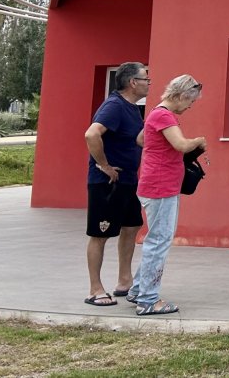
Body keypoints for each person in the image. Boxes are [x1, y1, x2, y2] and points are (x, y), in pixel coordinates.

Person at [129, 75, 206, 316]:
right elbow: (181, 145)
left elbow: (142, 139)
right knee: (159, 241)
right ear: (182, 95)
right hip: (161, 186)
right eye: (190, 102)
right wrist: (198, 141)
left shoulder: (156, 112)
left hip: (156, 183)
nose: (189, 107)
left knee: (157, 238)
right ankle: (148, 299)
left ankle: (139, 289)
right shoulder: (164, 115)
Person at [83, 62, 150, 307]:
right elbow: (92, 134)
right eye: (146, 79)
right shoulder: (114, 105)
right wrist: (104, 165)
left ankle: (124, 281)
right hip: (107, 182)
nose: (148, 83)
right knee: (100, 234)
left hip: (128, 181)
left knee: (132, 226)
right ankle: (95, 289)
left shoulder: (132, 108)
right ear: (133, 82)